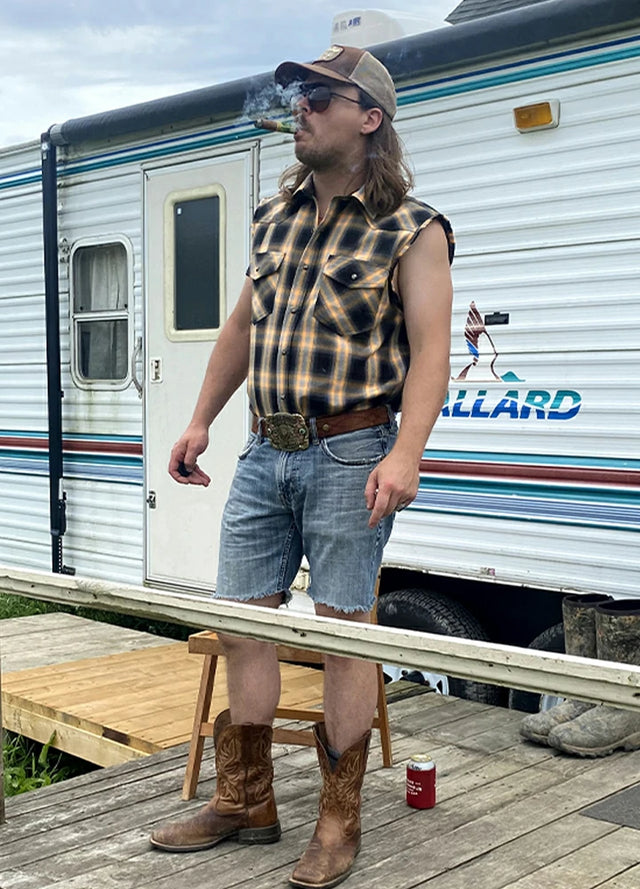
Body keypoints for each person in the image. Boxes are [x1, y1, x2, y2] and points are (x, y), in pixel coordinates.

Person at [150, 44, 454, 888]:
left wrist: (407, 451)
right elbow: (242, 329)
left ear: (370, 119)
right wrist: (200, 420)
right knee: (244, 619)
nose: (303, 107)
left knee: (340, 633)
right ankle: (245, 799)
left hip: (354, 448)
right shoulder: (272, 219)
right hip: (262, 448)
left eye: (322, 96)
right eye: (299, 96)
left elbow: (431, 353)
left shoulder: (414, 229)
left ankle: (336, 818)